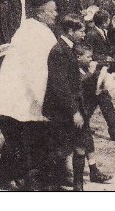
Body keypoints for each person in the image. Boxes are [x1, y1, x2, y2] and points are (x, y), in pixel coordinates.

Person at [0, 0, 59, 191]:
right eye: (51, 11)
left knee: (22, 140)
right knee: (15, 141)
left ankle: (20, 176)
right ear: (40, 13)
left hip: (22, 96)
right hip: (17, 96)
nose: (56, 14)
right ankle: (5, 180)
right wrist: (45, 99)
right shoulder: (33, 32)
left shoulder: (35, 30)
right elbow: (36, 70)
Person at [43, 14, 88, 190]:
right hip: (62, 110)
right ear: (70, 31)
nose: (84, 35)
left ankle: (78, 186)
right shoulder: (59, 51)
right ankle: (51, 184)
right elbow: (60, 86)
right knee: (60, 149)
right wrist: (74, 111)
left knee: (79, 145)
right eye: (81, 31)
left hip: (72, 107)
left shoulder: (69, 49)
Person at [83, 9, 115, 141]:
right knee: (104, 100)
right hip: (96, 72)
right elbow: (89, 53)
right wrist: (105, 58)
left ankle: (82, 126)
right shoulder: (92, 34)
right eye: (108, 20)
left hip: (100, 71)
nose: (110, 22)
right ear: (103, 22)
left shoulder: (102, 32)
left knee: (91, 101)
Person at [76, 46, 113, 184]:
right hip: (74, 112)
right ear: (78, 58)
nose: (91, 59)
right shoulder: (75, 69)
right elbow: (78, 83)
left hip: (83, 111)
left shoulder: (84, 69)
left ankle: (93, 170)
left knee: (87, 140)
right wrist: (91, 73)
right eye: (88, 57)